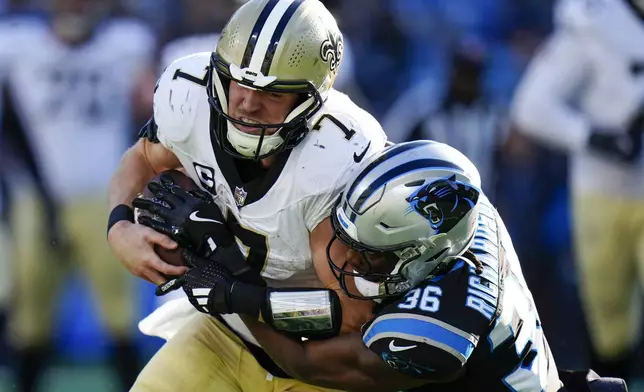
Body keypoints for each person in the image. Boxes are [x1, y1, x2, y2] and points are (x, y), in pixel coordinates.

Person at [147, 141, 626, 392]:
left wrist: (235, 288)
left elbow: (310, 363)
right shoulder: (457, 215)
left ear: (424, 254)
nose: (353, 261)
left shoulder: (438, 325)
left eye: (373, 254)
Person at [106, 0, 387, 390]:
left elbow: (352, 313)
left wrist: (239, 290)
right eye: (241, 82)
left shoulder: (335, 160)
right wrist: (118, 225)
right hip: (224, 335)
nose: (249, 103)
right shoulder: (191, 97)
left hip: (317, 361)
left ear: (308, 103)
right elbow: (141, 158)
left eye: (273, 94)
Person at [0, 0, 156, 390]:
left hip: (105, 196)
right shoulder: (18, 44)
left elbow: (151, 113)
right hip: (35, 198)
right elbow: (9, 126)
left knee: (119, 315)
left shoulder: (127, 43)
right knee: (30, 317)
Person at [511, 0, 644, 381]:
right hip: (603, 192)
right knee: (609, 320)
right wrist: (593, 136)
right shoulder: (595, 20)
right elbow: (531, 105)